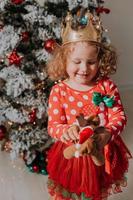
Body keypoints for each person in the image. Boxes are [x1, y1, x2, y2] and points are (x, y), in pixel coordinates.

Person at [46, 10, 132, 200]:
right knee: (68, 191)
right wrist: (65, 131)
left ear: (100, 61)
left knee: (97, 191)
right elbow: (53, 126)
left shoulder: (106, 86)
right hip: (71, 153)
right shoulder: (59, 91)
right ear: (63, 60)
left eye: (91, 62)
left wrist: (107, 133)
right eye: (77, 61)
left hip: (100, 148)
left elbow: (119, 116)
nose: (84, 69)